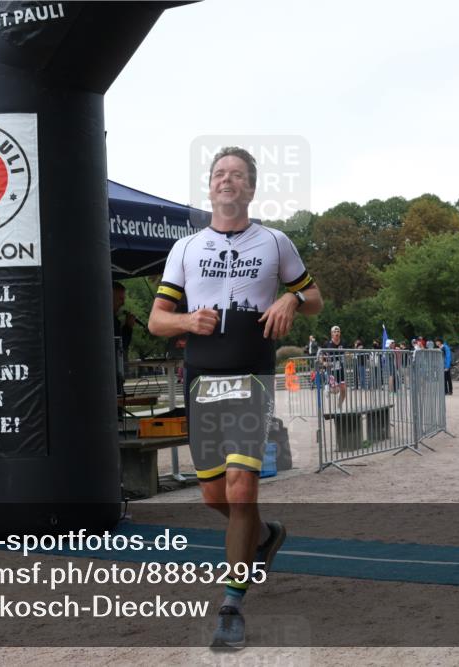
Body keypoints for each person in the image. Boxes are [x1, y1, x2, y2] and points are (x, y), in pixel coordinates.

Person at [148, 146, 323, 649]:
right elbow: (159, 319)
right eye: (220, 174)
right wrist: (185, 320)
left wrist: (290, 296)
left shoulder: (275, 242)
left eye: (238, 175)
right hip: (202, 380)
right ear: (210, 187)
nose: (228, 181)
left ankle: (231, 603)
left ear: (250, 188)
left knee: (242, 487)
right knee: (214, 496)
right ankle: (264, 535)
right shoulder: (185, 248)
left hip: (253, 375)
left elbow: (316, 300)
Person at [112, 281, 135, 397]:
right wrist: (128, 328)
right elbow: (120, 347)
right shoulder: (110, 322)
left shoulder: (113, 320)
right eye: (120, 299)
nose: (123, 303)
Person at [322, 325, 347, 404]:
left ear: (340, 333)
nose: (336, 333)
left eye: (338, 331)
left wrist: (349, 355)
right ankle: (328, 389)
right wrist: (324, 362)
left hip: (340, 369)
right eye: (334, 331)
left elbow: (347, 353)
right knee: (336, 391)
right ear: (331, 334)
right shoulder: (327, 344)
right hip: (330, 370)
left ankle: (339, 407)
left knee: (343, 390)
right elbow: (320, 355)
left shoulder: (343, 343)